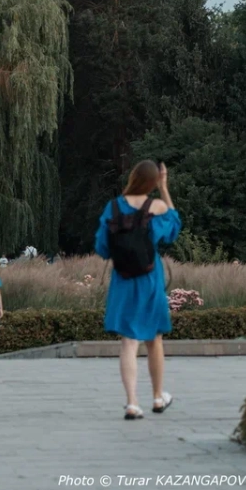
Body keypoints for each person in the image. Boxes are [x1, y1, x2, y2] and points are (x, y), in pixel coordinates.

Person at [95, 160, 181, 420]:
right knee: (154, 339)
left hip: (123, 279)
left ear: (133, 177)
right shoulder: (156, 207)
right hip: (149, 277)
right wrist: (164, 188)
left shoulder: (112, 208)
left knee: (129, 342)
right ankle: (157, 397)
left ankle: (132, 403)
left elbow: (102, 247)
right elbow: (173, 228)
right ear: (153, 182)